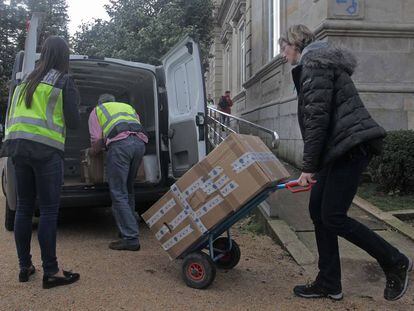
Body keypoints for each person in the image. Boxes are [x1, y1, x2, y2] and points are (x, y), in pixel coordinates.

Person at [279, 25, 412, 301]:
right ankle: (329, 282)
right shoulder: (317, 65)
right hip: (337, 151)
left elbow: (317, 121)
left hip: (350, 149)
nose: (283, 55)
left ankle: (394, 260)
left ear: (295, 44)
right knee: (318, 210)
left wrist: (307, 168)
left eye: (284, 48)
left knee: (333, 216)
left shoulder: (314, 67)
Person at [0, 36, 80, 289]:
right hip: (46, 151)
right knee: (48, 210)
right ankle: (52, 271)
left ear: (43, 54)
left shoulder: (25, 82)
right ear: (63, 56)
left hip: (18, 149)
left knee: (23, 208)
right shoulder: (63, 80)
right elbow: (74, 122)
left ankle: (25, 267)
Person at [88, 94, 147, 251]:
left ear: (100, 103)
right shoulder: (128, 108)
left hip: (120, 146)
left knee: (118, 192)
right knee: (128, 188)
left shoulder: (97, 110)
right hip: (140, 145)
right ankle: (128, 228)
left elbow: (97, 141)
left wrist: (91, 155)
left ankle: (130, 237)